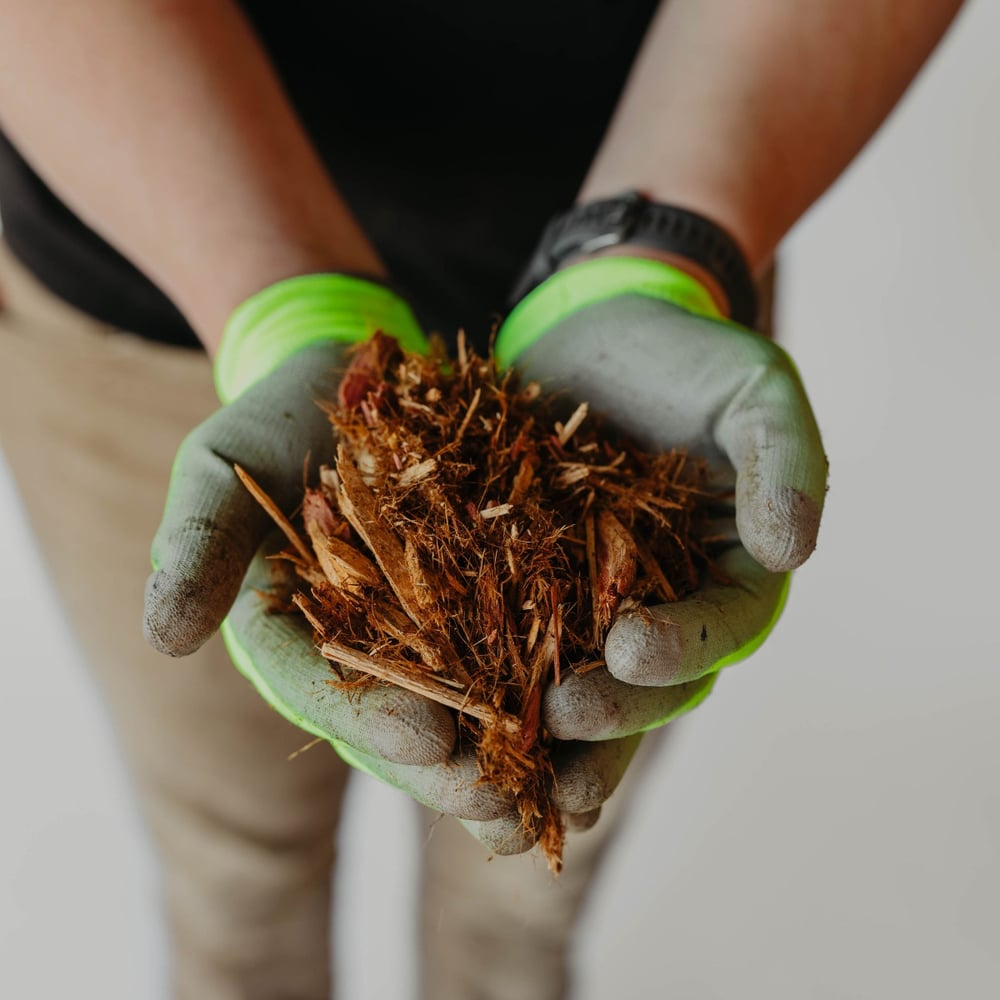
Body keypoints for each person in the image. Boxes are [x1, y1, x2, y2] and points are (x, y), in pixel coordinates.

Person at [0, 1, 963, 997]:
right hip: (157, 242)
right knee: (239, 881)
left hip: (670, 255)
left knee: (524, 896)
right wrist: (285, 310)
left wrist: (660, 249)